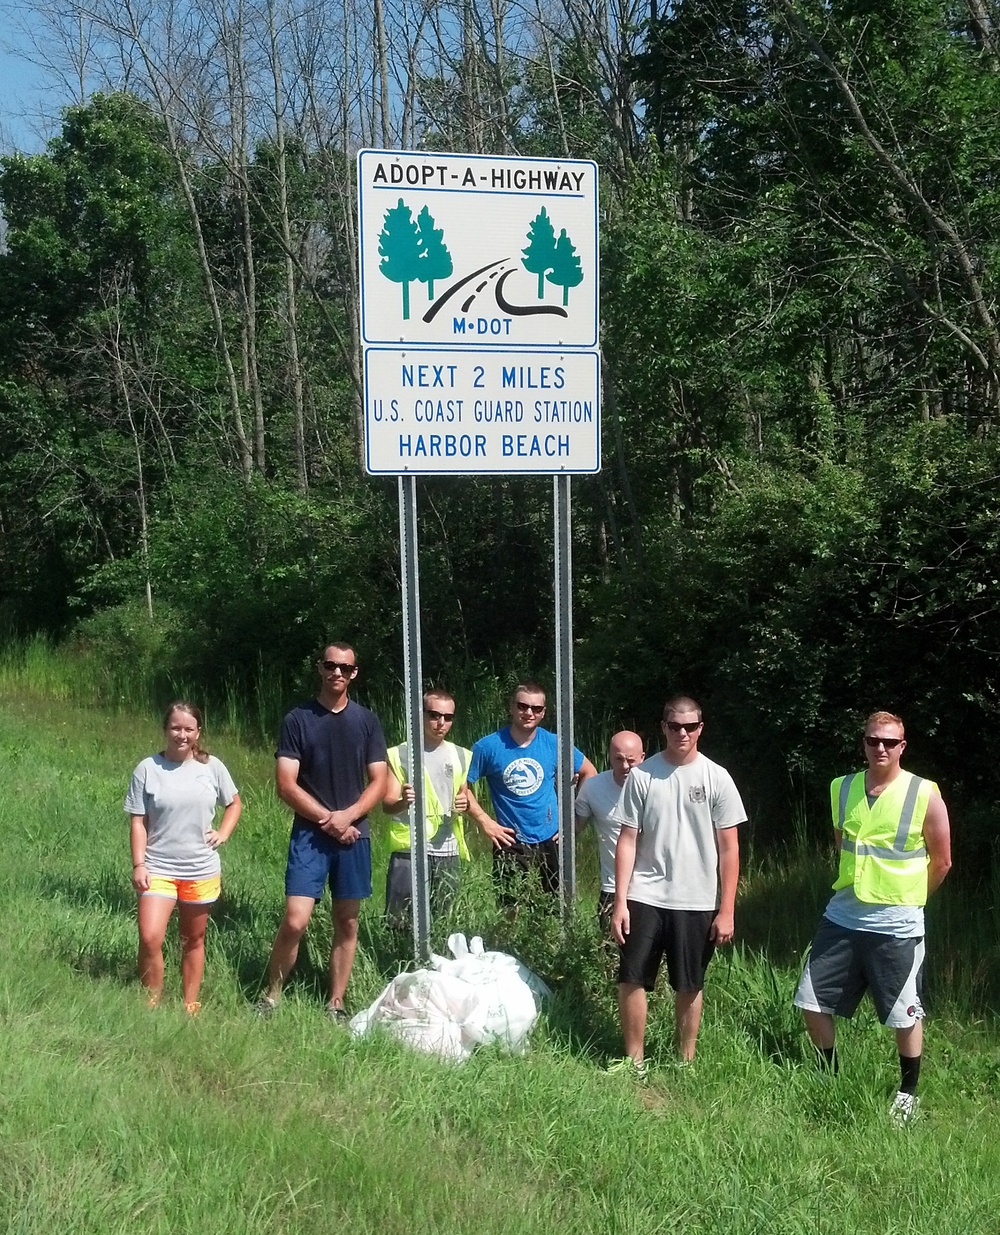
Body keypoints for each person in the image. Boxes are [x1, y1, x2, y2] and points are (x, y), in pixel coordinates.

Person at [793, 711, 952, 1125]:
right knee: (810, 997)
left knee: (904, 1013)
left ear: (903, 746)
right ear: (863, 743)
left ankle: (907, 1092)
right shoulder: (841, 788)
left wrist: (913, 900)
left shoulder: (924, 793)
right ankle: (828, 1076)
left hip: (897, 923)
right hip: (843, 914)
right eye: (872, 740)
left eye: (889, 742)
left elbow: (943, 861)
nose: (880, 748)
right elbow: (843, 845)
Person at [611, 696, 745, 1075]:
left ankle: (685, 1062)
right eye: (674, 726)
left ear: (701, 728)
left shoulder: (716, 777)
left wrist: (727, 909)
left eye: (690, 726)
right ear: (664, 727)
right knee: (632, 977)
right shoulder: (642, 776)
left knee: (689, 983)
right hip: (645, 894)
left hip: (697, 898)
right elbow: (628, 839)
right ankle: (633, 1062)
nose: (682, 733)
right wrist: (620, 901)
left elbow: (730, 847)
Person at [258, 642, 387, 1021]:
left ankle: (336, 1002)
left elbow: (379, 781)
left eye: (345, 668)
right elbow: (286, 784)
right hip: (311, 835)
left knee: (346, 920)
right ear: (320, 668)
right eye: (331, 665)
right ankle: (271, 995)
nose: (337, 673)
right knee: (296, 919)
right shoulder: (298, 719)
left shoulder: (367, 721)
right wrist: (330, 821)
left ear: (354, 674)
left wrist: (348, 817)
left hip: (354, 835)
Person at [125, 701, 242, 1015]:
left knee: (194, 937)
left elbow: (234, 804)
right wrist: (139, 864)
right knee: (150, 937)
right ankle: (151, 1002)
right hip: (157, 866)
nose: (181, 734)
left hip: (200, 868)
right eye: (175, 727)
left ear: (198, 732)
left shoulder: (212, 767)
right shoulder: (147, 768)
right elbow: (138, 821)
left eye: (188, 729)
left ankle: (190, 1003)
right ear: (165, 729)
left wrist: (223, 833)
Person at [464, 681, 597, 902]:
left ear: (543, 712)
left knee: (556, 907)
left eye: (536, 709)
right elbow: (461, 786)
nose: (529, 713)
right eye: (522, 706)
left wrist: (573, 823)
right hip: (509, 841)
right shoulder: (488, 747)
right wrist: (486, 823)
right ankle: (510, 939)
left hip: (552, 839)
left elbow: (589, 772)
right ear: (511, 707)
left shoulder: (555, 743)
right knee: (510, 910)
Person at [383, 689, 471, 928]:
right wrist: (402, 801)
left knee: (444, 921)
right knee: (401, 922)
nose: (440, 722)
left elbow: (464, 796)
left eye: (448, 717)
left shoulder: (461, 755)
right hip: (409, 849)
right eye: (434, 714)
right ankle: (403, 963)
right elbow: (387, 805)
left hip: (448, 850)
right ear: (420, 715)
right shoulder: (400, 753)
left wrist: (466, 803)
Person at [575, 730, 645, 927]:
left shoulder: (657, 787)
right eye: (618, 759)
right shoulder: (593, 787)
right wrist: (560, 790)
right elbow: (573, 828)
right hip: (612, 887)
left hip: (652, 888)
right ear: (609, 757)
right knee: (610, 952)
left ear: (642, 758)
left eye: (631, 761)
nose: (624, 766)